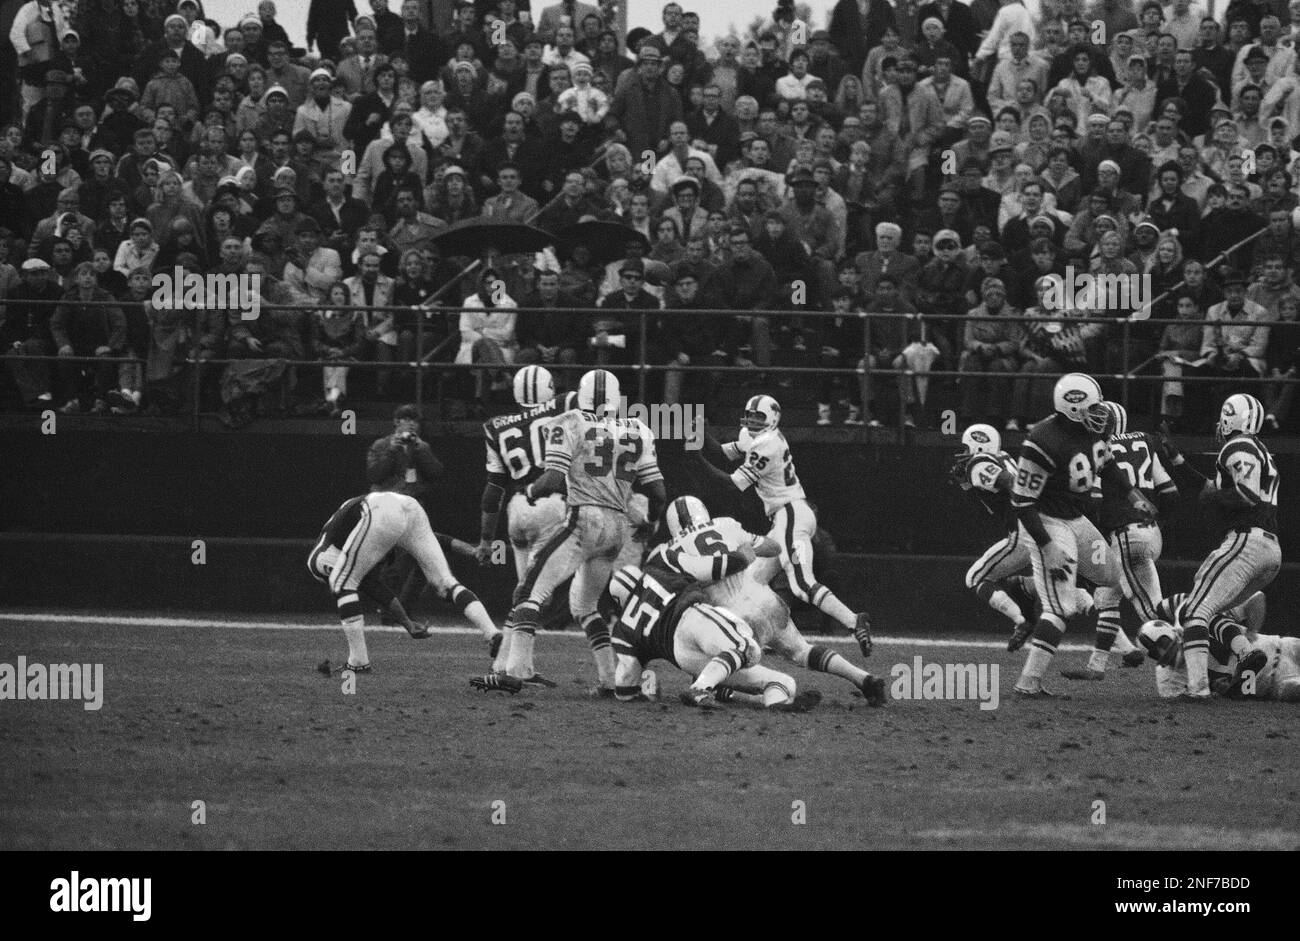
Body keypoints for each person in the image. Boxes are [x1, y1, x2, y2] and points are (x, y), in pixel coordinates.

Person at [471, 369, 666, 695]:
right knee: (586, 607)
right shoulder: (638, 428)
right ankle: (609, 680)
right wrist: (647, 523)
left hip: (583, 520)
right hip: (617, 527)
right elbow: (658, 493)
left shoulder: (570, 421)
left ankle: (514, 671)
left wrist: (530, 492)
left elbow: (552, 480)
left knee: (527, 592)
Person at [1008, 373, 1153, 697]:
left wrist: (1133, 495)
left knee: (1114, 577)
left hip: (1076, 518)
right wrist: (1047, 547)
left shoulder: (1095, 428)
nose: (1100, 414)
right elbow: (1021, 501)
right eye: (1092, 407)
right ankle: (1028, 684)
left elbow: (1108, 463)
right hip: (1047, 522)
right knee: (1058, 611)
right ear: (1073, 408)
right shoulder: (1043, 440)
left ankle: (1064, 593)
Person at [694, 394, 874, 654]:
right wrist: (701, 433)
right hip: (784, 518)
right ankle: (757, 637)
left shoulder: (767, 444)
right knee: (752, 581)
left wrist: (696, 462)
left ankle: (853, 620)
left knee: (802, 584)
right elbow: (721, 451)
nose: (752, 421)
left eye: (759, 417)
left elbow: (732, 482)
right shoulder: (758, 438)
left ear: (773, 418)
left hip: (791, 514)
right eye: (750, 415)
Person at [1157, 394, 1281, 698]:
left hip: (1246, 541)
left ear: (1232, 418)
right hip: (1268, 549)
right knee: (1210, 611)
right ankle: (1245, 654)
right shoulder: (1255, 448)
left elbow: (1246, 494)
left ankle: (1198, 688)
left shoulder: (1238, 446)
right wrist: (1177, 460)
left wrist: (1214, 499)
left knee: (1194, 610)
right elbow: (1211, 488)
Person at [308, 489, 501, 673]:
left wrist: (406, 623)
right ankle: (492, 634)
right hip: (409, 505)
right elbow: (439, 539)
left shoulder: (320, 560)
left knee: (341, 582)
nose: (380, 563)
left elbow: (373, 587)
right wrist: (473, 551)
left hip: (381, 509)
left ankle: (358, 662)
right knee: (446, 583)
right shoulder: (346, 530)